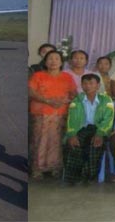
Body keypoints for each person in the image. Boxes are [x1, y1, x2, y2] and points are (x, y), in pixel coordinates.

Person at [29, 50, 77, 179]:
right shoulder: (38, 75)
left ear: (61, 62)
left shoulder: (67, 77)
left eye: (56, 59)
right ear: (45, 61)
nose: (53, 61)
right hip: (41, 113)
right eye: (50, 58)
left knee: (56, 141)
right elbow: (31, 92)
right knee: (40, 140)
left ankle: (54, 167)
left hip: (60, 113)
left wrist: (63, 101)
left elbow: (74, 94)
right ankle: (37, 168)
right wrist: (48, 100)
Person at [63, 74, 114, 185]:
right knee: (75, 144)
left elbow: (108, 119)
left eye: (91, 83)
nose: (88, 86)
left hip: (99, 130)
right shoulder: (76, 101)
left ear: (98, 85)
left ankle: (89, 176)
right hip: (81, 129)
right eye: (85, 83)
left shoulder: (106, 100)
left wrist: (100, 134)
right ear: (81, 85)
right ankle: (74, 177)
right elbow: (72, 119)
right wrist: (72, 134)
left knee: (94, 146)